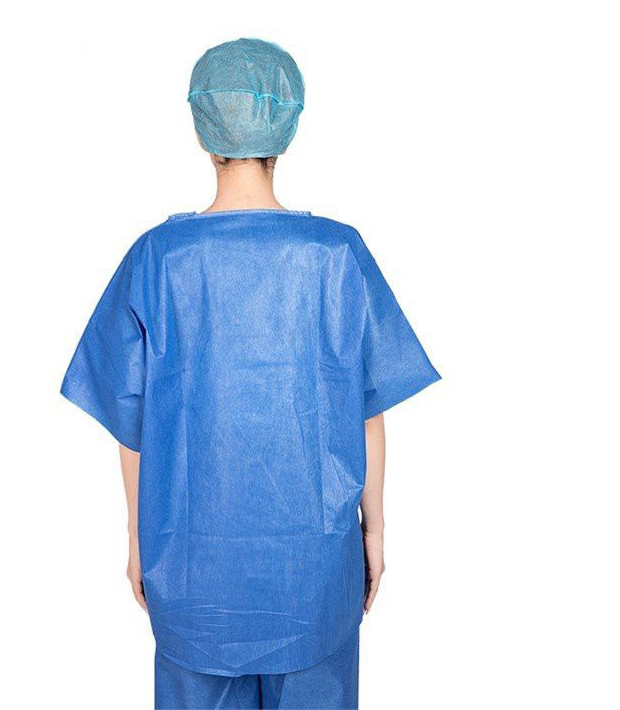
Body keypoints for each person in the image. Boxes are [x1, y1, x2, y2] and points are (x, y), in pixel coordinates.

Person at [61, 38, 440, 710]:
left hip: (190, 571)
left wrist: (138, 543)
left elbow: (133, 427)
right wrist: (374, 532)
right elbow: (368, 412)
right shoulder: (337, 254)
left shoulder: (158, 259)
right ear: (287, 129)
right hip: (314, 574)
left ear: (203, 131)